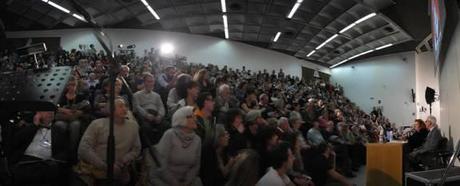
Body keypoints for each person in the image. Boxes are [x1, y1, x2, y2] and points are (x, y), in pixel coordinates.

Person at [76, 98, 141, 185]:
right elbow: (83, 148)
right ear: (111, 109)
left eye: (125, 106)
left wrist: (124, 160)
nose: (125, 109)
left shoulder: (133, 126)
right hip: (95, 170)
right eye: (120, 106)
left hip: (120, 170)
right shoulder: (97, 124)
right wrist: (104, 166)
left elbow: (136, 148)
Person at [10, 111, 72, 185]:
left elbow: (65, 151)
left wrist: (54, 160)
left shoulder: (59, 130)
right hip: (26, 161)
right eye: (46, 111)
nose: (50, 113)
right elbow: (15, 142)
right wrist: (34, 125)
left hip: (46, 163)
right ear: (38, 113)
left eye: (52, 111)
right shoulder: (28, 127)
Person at [151, 106, 202, 186]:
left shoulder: (197, 140)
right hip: (165, 179)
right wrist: (175, 183)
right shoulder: (169, 135)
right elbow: (162, 165)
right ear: (182, 119)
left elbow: (196, 166)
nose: (196, 119)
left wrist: (187, 182)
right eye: (192, 116)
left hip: (186, 181)